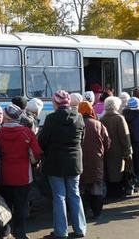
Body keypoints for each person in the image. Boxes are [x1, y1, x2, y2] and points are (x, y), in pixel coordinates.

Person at [38, 90, 86, 238]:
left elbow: (42, 141)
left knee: (59, 196)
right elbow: (82, 139)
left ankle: (61, 231)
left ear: (55, 103)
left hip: (55, 162)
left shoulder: (51, 119)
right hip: (74, 162)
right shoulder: (79, 118)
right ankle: (80, 229)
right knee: (75, 194)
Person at [0, 104, 42, 239]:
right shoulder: (27, 132)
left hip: (4, 175)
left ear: (7, 118)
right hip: (23, 176)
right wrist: (33, 163)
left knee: (5, 206)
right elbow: (35, 154)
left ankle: (4, 233)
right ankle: (20, 233)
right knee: (20, 206)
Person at [78, 102, 110, 220]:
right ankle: (97, 212)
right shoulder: (99, 124)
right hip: (97, 161)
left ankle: (83, 212)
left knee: (81, 187)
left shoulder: (77, 123)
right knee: (96, 187)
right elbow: (107, 143)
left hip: (80, 160)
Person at [100, 97, 132, 198]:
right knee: (118, 171)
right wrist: (128, 151)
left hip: (106, 150)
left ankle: (110, 192)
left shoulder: (102, 119)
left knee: (108, 171)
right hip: (118, 151)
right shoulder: (119, 118)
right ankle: (117, 193)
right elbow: (124, 137)